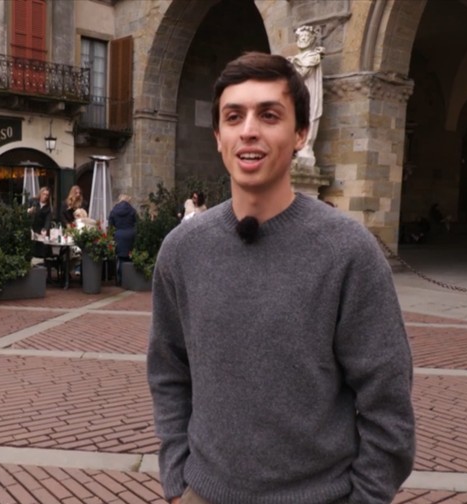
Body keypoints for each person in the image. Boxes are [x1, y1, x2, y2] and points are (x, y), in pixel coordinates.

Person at [147, 52, 415, 504]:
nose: (249, 129)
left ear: (300, 134)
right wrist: (176, 481)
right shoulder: (182, 251)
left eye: (269, 115)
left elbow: (386, 399)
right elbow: (169, 373)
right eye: (234, 116)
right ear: (218, 136)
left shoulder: (348, 251)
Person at [289, 24, 325, 170]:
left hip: (308, 92)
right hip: (296, 93)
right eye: (301, 37)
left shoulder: (313, 56)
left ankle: (305, 147)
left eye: (306, 37)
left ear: (311, 40)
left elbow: (303, 73)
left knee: (307, 117)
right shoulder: (295, 57)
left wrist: (293, 64)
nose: (303, 39)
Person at [108, 194, 137, 285]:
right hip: (131, 235)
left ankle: (119, 280)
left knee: (120, 258)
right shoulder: (132, 210)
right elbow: (137, 223)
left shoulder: (113, 211)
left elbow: (110, 225)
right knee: (130, 257)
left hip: (118, 235)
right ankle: (130, 280)